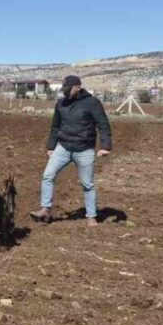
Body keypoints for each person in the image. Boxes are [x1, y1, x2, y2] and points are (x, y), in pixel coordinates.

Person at [30, 75, 112, 227]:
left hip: (84, 149)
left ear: (77, 87)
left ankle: (91, 217)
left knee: (88, 184)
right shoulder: (61, 103)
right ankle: (45, 209)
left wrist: (105, 146)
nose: (65, 93)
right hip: (63, 147)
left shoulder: (92, 103)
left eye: (68, 89)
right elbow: (55, 126)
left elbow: (103, 124)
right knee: (47, 176)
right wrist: (51, 146)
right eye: (64, 90)